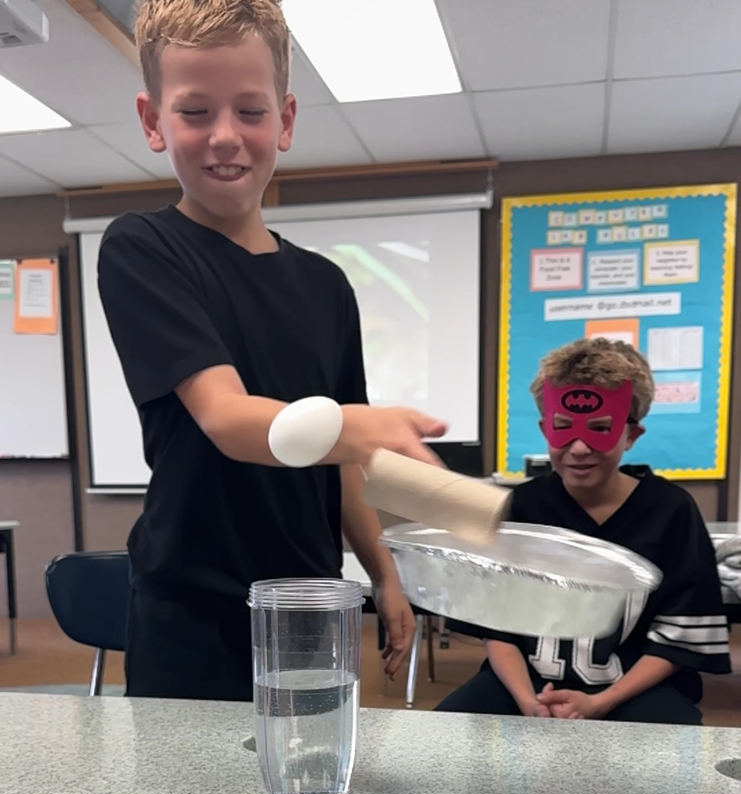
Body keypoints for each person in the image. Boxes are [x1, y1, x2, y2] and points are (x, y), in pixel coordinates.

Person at [97, 0, 447, 701]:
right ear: (151, 122)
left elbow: (340, 464)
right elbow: (227, 419)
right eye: (195, 112)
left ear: (284, 121)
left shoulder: (327, 285)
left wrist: (382, 576)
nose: (225, 136)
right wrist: (358, 426)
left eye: (250, 112)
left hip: (309, 603)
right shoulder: (141, 248)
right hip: (190, 610)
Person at [436, 337, 731, 724]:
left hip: (634, 689)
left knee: (677, 758)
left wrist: (599, 703)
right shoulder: (518, 509)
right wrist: (528, 701)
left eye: (599, 428)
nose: (578, 447)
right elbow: (498, 627)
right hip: (523, 684)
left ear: (631, 435)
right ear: (545, 428)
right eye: (563, 427)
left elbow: (679, 638)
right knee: (444, 735)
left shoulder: (672, 513)